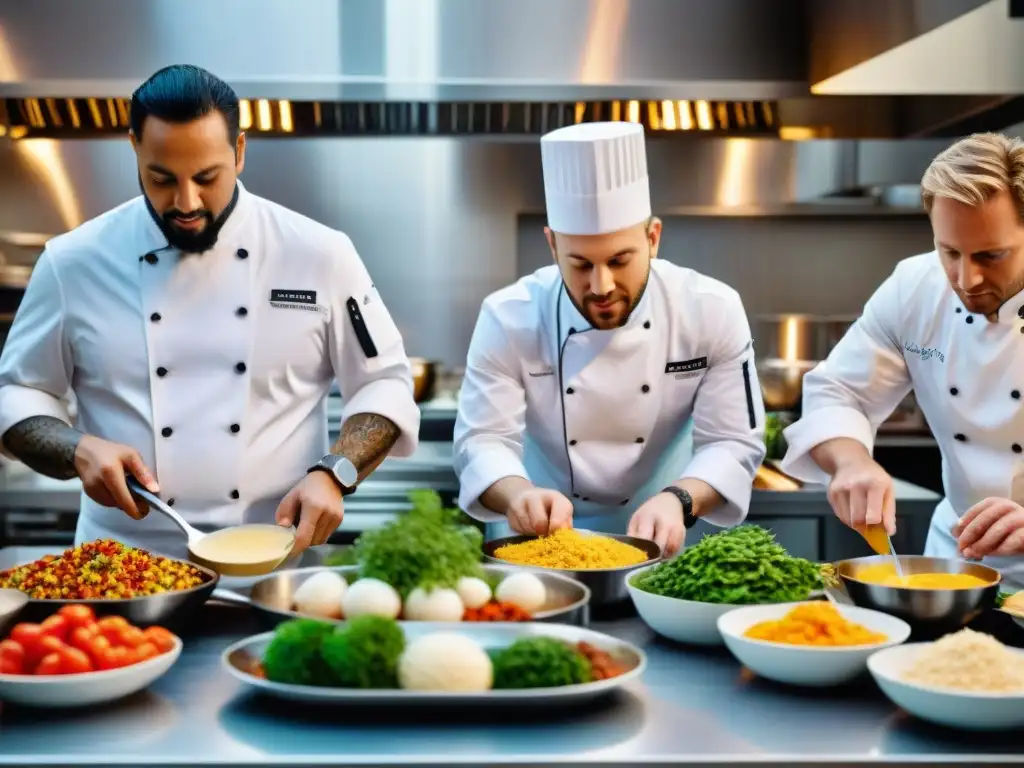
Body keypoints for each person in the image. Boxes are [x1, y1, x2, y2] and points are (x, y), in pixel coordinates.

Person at [0, 65, 420, 558]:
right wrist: (77, 448)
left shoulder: (318, 253)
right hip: (121, 564)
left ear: (239, 151)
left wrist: (336, 472)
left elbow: (383, 382)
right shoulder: (72, 261)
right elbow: (18, 391)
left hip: (273, 558)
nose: (185, 201)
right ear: (134, 146)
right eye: (161, 179)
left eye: (206, 177)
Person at [453, 121, 766, 557]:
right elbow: (482, 440)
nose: (601, 285)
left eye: (620, 261)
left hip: (664, 536)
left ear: (653, 238)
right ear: (552, 245)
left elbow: (734, 441)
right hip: (535, 543)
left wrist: (680, 500)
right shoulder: (508, 316)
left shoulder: (711, 309)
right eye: (580, 264)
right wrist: (518, 497)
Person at [780, 132, 1024, 590]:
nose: (965, 278)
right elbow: (840, 391)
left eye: (991, 256)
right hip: (955, 564)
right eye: (949, 252)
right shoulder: (914, 287)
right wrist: (851, 462)